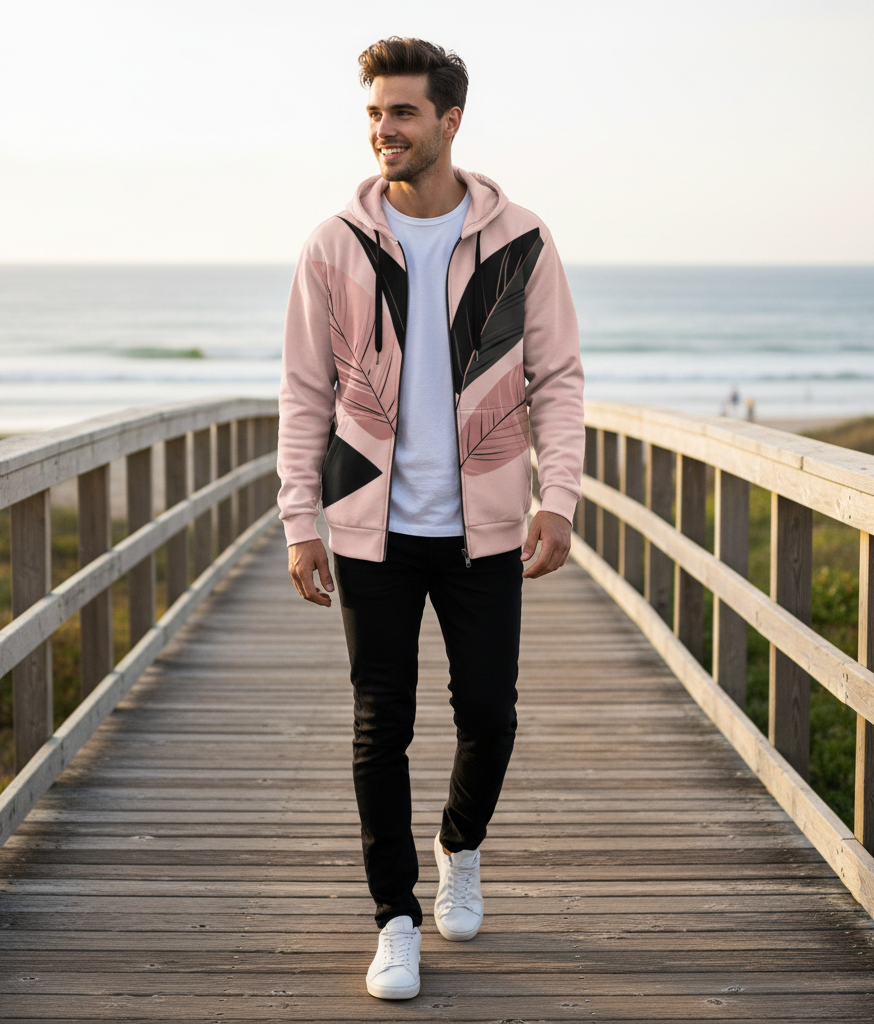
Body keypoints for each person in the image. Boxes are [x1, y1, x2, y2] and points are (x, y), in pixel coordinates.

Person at [276, 36, 585, 1000]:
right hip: (372, 528)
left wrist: (559, 497)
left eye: (402, 113)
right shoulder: (335, 242)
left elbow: (558, 380)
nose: (383, 131)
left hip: (483, 530)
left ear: (451, 120)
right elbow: (303, 393)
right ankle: (395, 918)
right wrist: (300, 518)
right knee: (382, 723)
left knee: (490, 714)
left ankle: (462, 845)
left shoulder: (520, 240)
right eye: (374, 113)